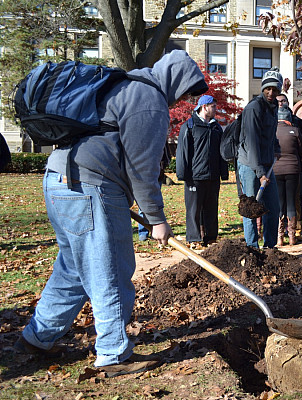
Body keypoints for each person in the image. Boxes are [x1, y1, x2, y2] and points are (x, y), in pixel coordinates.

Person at [16, 50, 208, 376]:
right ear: (176, 81)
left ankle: (36, 338)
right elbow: (142, 169)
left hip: (60, 180)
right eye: (188, 92)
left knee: (74, 270)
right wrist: (157, 219)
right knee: (112, 268)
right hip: (90, 185)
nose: (185, 100)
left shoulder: (126, 87)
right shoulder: (149, 100)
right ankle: (113, 354)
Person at [176, 95, 229, 247]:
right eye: (213, 106)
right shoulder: (190, 126)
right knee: (193, 210)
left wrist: (223, 173)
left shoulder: (216, 127)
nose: (216, 109)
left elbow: (222, 153)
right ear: (204, 107)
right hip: (194, 177)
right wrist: (183, 174)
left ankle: (211, 238)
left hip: (213, 177)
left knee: (212, 209)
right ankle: (194, 239)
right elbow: (182, 152)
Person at [237, 68, 282, 248]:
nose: (271, 93)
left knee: (273, 206)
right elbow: (252, 143)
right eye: (268, 89)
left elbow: (270, 134)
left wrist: (276, 147)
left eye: (275, 89)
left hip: (265, 163)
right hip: (250, 164)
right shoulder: (254, 108)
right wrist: (260, 172)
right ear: (263, 88)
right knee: (251, 207)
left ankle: (270, 248)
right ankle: (252, 248)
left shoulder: (273, 107)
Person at [276, 93, 302, 238]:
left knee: (296, 199)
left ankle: (296, 229)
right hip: (281, 166)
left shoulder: (297, 121)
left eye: (283, 101)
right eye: (278, 101)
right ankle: (281, 232)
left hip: (295, 165)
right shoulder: (270, 120)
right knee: (280, 200)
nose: (280, 103)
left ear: (288, 102)